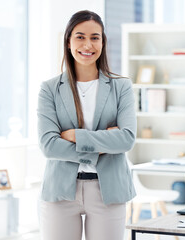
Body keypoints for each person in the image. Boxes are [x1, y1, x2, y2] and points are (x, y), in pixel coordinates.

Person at [37, 10, 136, 240]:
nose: (88, 44)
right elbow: (48, 146)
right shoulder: (49, 89)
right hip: (60, 191)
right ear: (69, 41)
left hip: (108, 190)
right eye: (80, 36)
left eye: (95, 37)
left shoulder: (121, 87)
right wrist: (102, 146)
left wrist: (75, 136)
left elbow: (126, 139)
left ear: (102, 42)